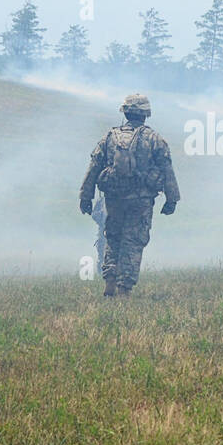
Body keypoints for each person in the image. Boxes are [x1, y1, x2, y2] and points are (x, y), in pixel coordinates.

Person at [79, 94, 180, 296]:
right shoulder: (155, 139)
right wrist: (172, 199)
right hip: (141, 201)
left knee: (112, 237)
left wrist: (85, 196)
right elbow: (167, 170)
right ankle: (124, 289)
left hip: (114, 199)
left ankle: (109, 281)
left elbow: (94, 166)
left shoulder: (109, 137)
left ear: (124, 112)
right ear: (146, 115)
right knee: (133, 241)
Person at [92, 193, 107, 263]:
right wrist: (101, 215)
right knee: (101, 251)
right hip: (103, 230)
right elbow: (94, 215)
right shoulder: (101, 201)